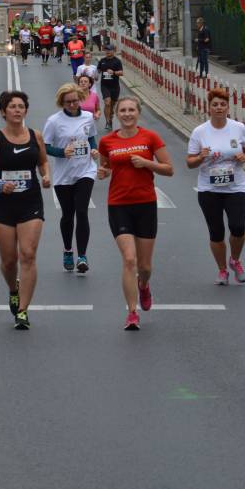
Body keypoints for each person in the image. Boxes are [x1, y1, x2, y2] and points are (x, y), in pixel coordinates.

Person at [98, 97, 173, 330]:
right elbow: (105, 167)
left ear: (138, 113)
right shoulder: (107, 141)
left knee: (145, 267)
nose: (127, 114)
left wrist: (147, 163)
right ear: (116, 114)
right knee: (129, 259)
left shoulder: (150, 137)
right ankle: (132, 312)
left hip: (145, 204)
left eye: (131, 110)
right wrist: (103, 172)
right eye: (123, 110)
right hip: (118, 204)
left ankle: (144, 285)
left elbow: (169, 169)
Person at [0, 91, 51, 330]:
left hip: (30, 201)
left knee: (28, 255)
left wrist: (46, 175)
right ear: (3, 112)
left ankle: (23, 310)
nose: (17, 110)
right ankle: (13, 289)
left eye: (21, 106)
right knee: (9, 261)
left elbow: (43, 161)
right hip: (3, 204)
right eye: (12, 106)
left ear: (26, 111)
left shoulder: (35, 135)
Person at [186, 87, 245, 285]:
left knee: (238, 227)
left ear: (227, 108)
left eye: (223, 104)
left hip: (236, 187)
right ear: (209, 107)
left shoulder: (238, 128)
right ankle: (222, 270)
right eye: (215, 104)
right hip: (209, 189)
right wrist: (201, 157)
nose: (219, 108)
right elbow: (189, 162)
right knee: (216, 232)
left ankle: (235, 260)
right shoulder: (200, 131)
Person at [43, 83, 98, 273]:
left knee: (82, 212)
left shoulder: (88, 117)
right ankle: (68, 250)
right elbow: (45, 146)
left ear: (80, 99)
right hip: (64, 174)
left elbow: (91, 138)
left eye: (75, 100)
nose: (73, 104)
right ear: (62, 102)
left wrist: (94, 150)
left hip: (85, 170)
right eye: (68, 102)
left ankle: (82, 256)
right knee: (68, 215)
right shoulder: (54, 121)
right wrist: (61, 152)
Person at [97, 45, 124, 131]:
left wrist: (114, 72)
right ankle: (108, 122)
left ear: (113, 51)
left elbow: (121, 73)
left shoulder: (117, 61)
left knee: (112, 106)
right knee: (107, 103)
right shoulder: (102, 61)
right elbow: (98, 70)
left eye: (109, 50)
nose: (107, 51)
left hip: (115, 86)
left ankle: (110, 118)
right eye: (106, 50)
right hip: (105, 85)